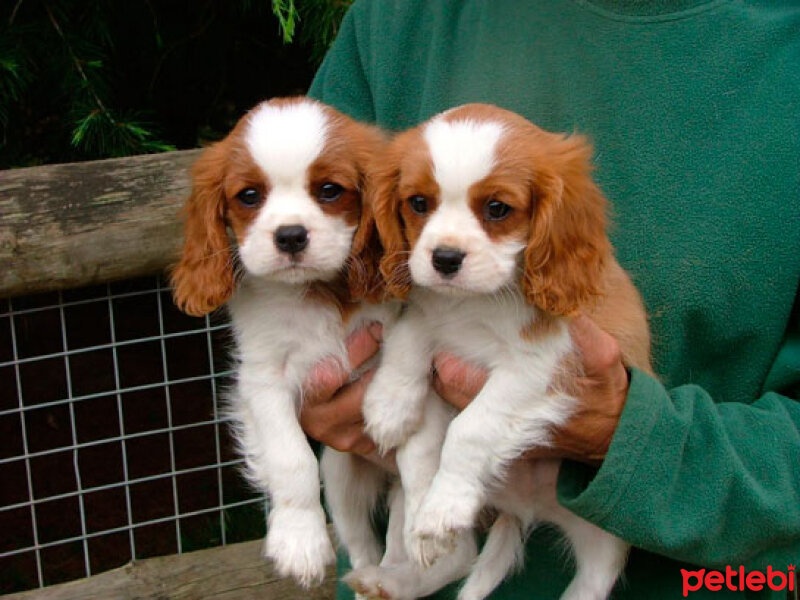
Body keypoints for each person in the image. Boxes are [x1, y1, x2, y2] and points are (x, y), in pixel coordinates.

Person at [299, 1, 800, 598]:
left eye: (497, 209)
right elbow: (300, 301)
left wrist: (637, 438)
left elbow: (546, 359)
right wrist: (313, 377)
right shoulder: (397, 22)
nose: (447, 240)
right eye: (421, 205)